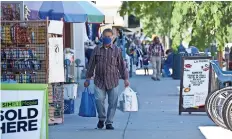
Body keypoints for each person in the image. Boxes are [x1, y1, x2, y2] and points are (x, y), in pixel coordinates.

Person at [84, 28, 130, 130]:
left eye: (109, 36)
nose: (108, 38)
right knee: (99, 100)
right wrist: (87, 78)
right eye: (106, 36)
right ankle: (101, 119)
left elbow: (122, 66)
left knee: (113, 102)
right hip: (99, 81)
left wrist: (126, 78)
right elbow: (91, 64)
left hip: (113, 80)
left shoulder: (117, 50)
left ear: (113, 38)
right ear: (102, 37)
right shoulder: (96, 49)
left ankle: (109, 122)